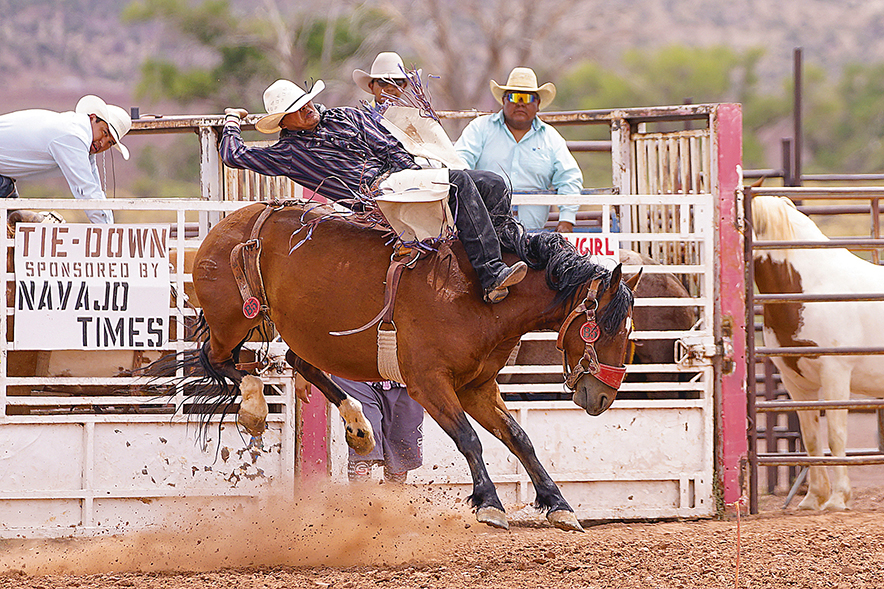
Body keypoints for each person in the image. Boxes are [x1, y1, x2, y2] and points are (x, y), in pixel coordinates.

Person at [220, 77, 527, 304]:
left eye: (306, 102)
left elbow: (387, 144)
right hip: (374, 197)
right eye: (297, 109)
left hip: (401, 178)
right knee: (457, 183)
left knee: (493, 184)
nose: (307, 109)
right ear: (284, 121)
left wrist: (410, 172)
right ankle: (490, 275)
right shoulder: (286, 152)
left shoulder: (345, 116)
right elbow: (233, 154)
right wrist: (233, 119)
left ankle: (501, 251)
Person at [454, 67, 583, 233]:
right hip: (484, 232)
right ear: (503, 100)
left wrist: (566, 220)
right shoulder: (480, 129)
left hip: (532, 233)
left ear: (538, 104)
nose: (520, 103)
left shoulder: (551, 138)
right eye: (514, 96)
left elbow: (569, 178)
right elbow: (459, 163)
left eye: (527, 97)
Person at [0, 95, 132, 224]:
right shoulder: (73, 135)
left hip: (4, 181)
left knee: (17, 229)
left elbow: (95, 189)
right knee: (16, 228)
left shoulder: (79, 136)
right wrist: (108, 232)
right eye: (104, 132)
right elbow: (85, 190)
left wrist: (109, 227)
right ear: (92, 118)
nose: (103, 143)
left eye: (110, 143)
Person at [352, 51, 418, 110]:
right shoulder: (361, 118)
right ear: (371, 86)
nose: (390, 88)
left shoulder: (411, 118)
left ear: (404, 86)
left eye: (397, 83)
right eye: (383, 83)